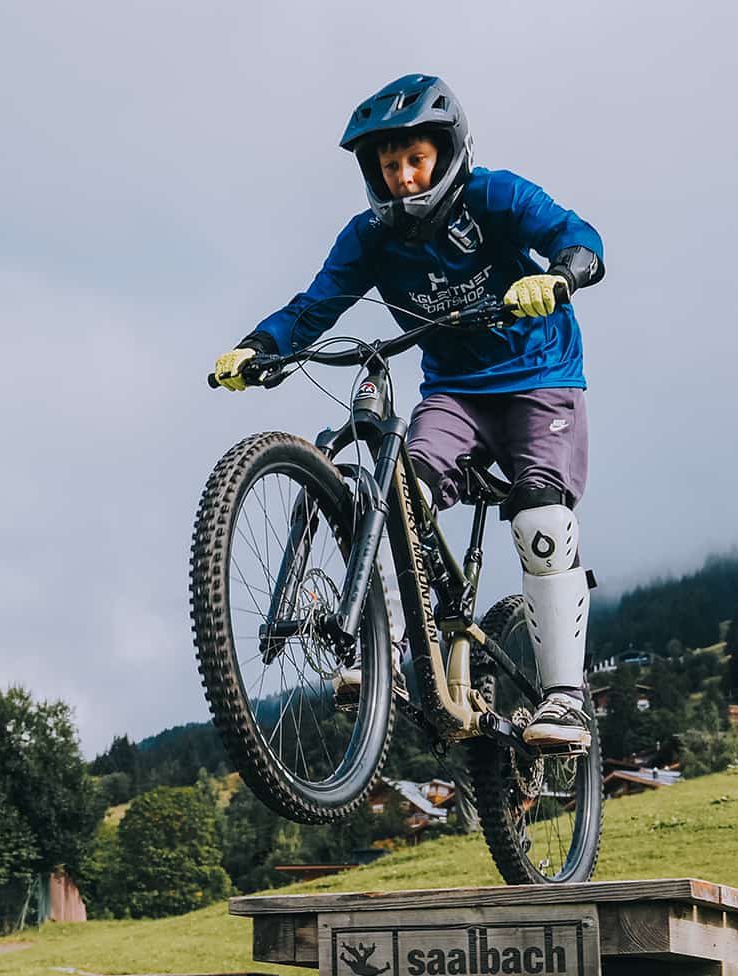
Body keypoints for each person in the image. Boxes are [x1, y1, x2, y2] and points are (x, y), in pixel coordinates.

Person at [212, 73, 604, 748]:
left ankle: (565, 697)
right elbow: (315, 306)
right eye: (388, 165)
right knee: (396, 497)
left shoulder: (496, 196)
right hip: (453, 394)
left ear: (447, 152)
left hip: (541, 380)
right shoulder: (370, 237)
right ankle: (381, 655)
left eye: (414, 159)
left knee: (540, 515)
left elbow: (577, 235)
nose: (401, 176)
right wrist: (258, 349)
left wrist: (561, 273)